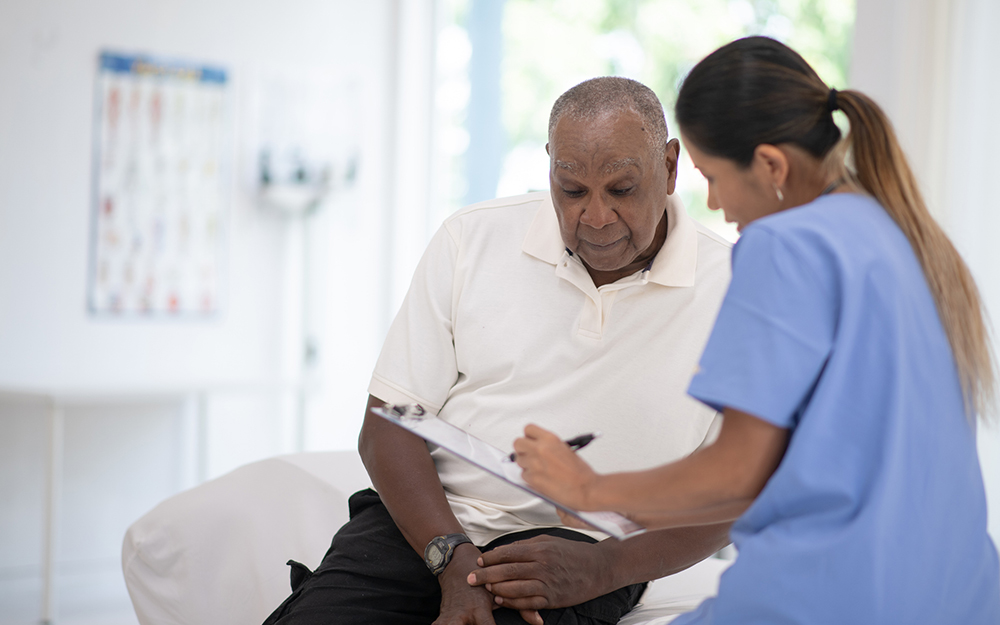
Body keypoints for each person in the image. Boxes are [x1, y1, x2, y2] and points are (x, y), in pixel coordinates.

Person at [513, 37, 1000, 624]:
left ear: (770, 166)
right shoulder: (901, 236)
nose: (714, 204)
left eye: (713, 177)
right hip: (962, 596)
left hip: (829, 599)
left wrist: (588, 490)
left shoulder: (784, 245)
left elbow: (740, 469)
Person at [262, 77, 734, 625]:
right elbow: (387, 425)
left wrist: (606, 569)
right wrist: (453, 562)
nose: (597, 217)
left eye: (622, 190)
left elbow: (737, 491)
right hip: (430, 527)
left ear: (671, 168)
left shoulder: (736, 290)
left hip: (579, 549)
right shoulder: (472, 239)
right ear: (550, 168)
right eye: (573, 190)